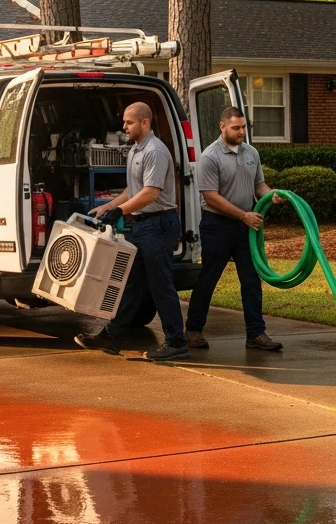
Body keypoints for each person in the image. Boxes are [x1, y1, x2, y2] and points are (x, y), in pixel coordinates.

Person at [74, 101, 190, 361]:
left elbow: (150, 193)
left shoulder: (156, 152)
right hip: (143, 226)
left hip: (159, 224)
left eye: (129, 122)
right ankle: (112, 336)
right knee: (131, 283)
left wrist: (121, 211)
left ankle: (177, 343)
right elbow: (134, 190)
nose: (123, 126)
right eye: (124, 122)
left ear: (144, 123)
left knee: (161, 286)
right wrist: (109, 207)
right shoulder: (137, 150)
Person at [185, 106, 283, 351]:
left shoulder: (251, 152)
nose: (241, 132)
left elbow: (258, 185)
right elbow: (210, 196)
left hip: (245, 227)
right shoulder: (210, 156)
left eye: (243, 127)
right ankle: (193, 330)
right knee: (208, 279)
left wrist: (272, 195)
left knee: (251, 280)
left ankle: (256, 334)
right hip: (217, 226)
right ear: (223, 127)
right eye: (236, 128)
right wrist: (243, 216)